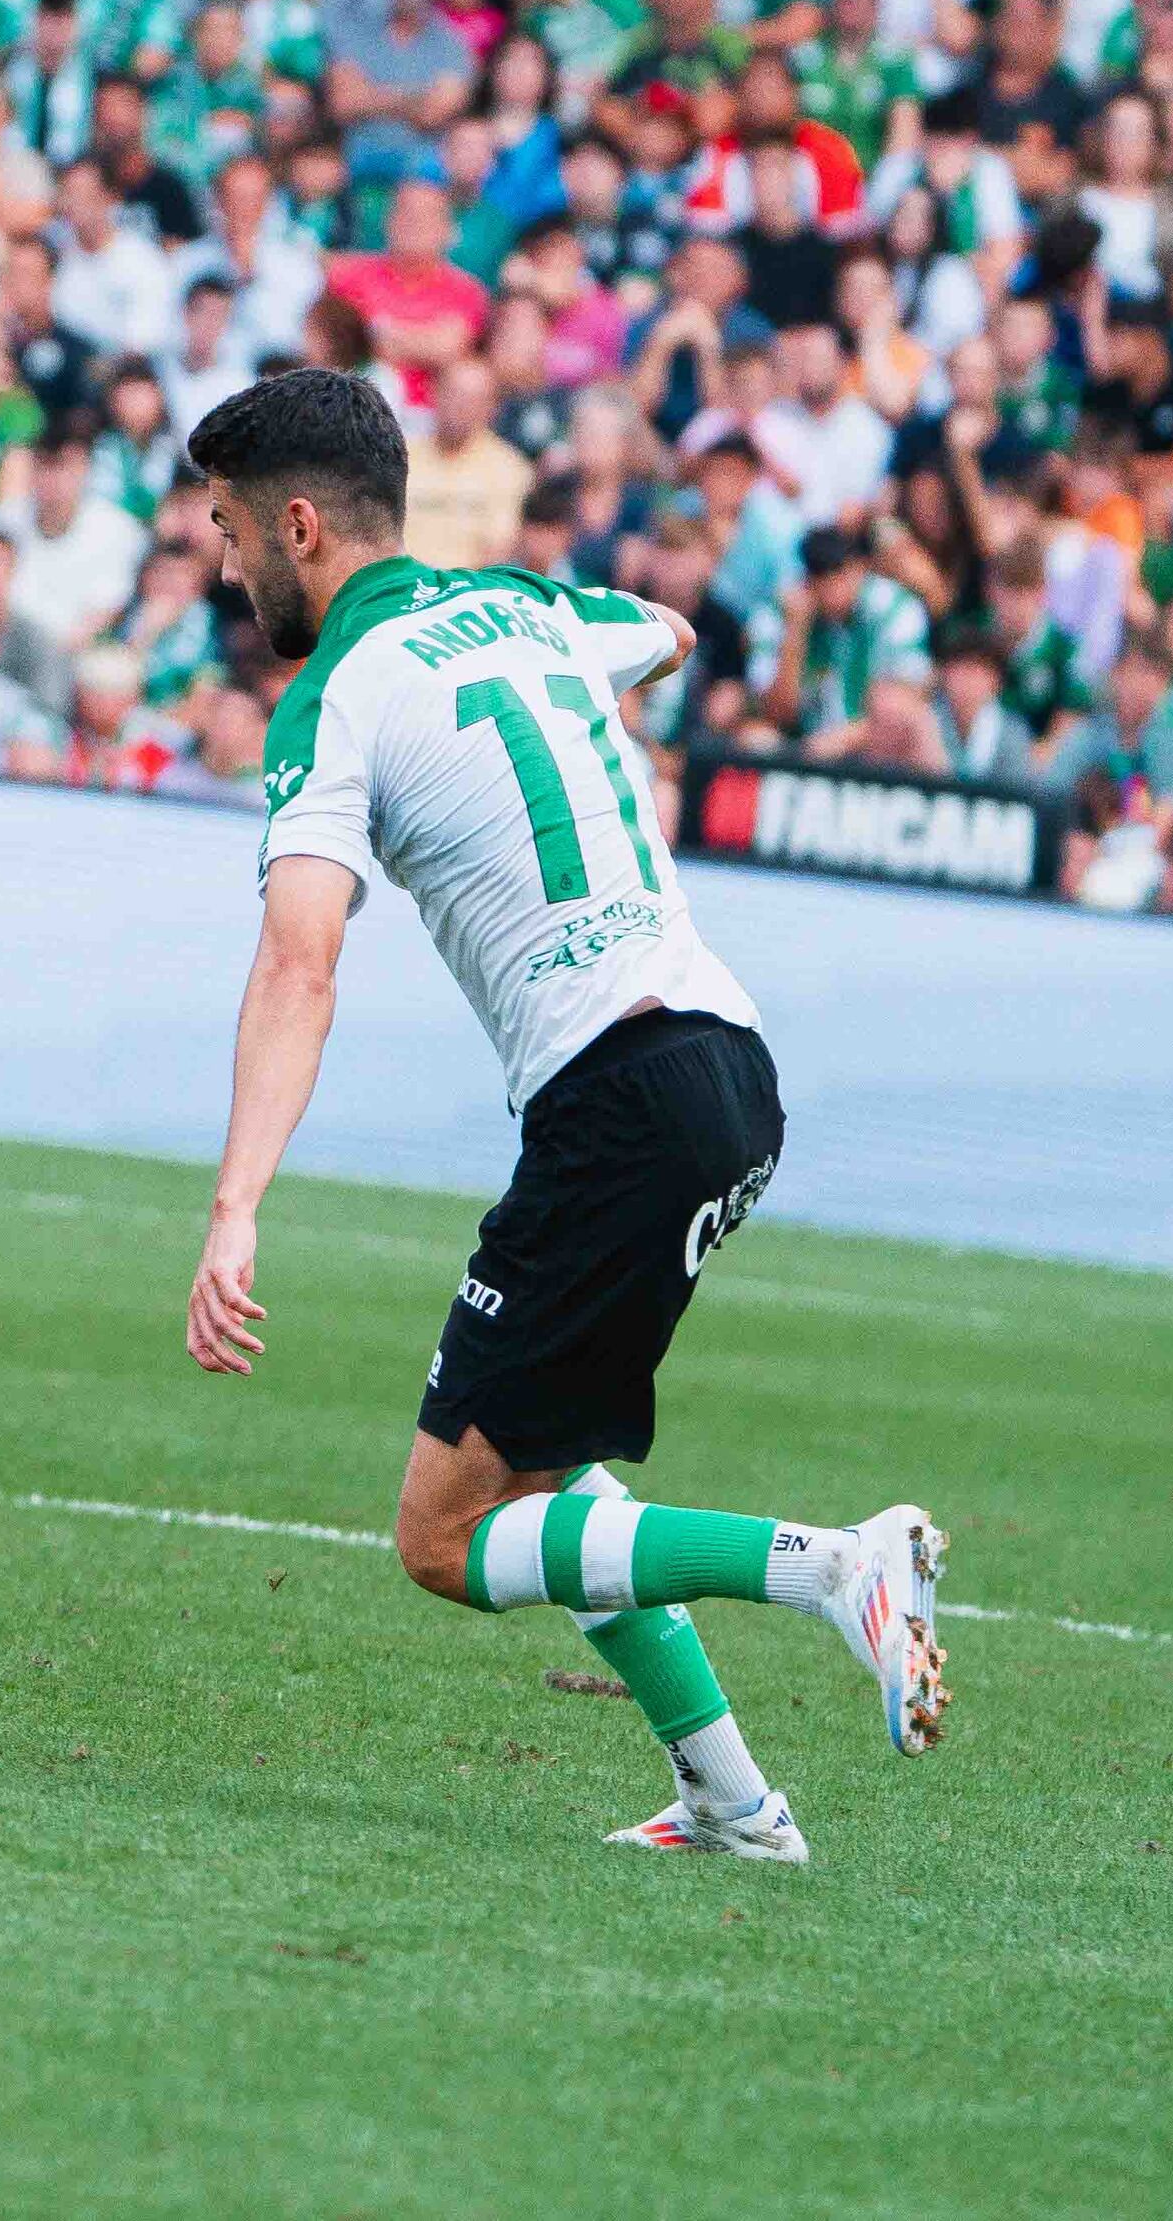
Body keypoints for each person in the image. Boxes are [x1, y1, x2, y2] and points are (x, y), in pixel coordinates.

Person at [176, 365, 948, 1859]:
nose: (223, 564)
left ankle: (835, 1567)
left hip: (617, 1099)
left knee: (441, 1537)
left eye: (227, 530)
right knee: (536, 1463)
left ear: (297, 527)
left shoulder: (334, 699)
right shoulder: (530, 607)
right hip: (728, 1068)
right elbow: (664, 630)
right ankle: (732, 1800)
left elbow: (298, 961)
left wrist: (235, 1206)